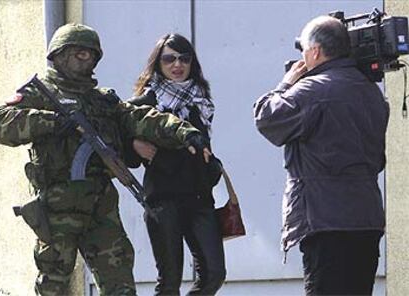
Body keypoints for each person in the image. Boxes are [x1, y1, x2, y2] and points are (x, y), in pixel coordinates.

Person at [0, 24, 210, 296]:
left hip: (101, 205)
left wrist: (185, 132)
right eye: (77, 53)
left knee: (119, 283)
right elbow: (0, 122)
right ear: (59, 55)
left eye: (89, 54)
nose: (84, 59)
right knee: (53, 284)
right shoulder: (39, 93)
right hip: (58, 206)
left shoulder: (103, 100)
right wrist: (51, 122)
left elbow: (141, 118)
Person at [254, 16, 389, 295]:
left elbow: (267, 118)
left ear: (315, 51)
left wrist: (286, 83)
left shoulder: (312, 89)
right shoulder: (371, 92)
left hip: (326, 222)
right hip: (366, 219)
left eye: (303, 49)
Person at [128, 33, 226, 296]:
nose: (177, 65)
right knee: (169, 280)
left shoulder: (200, 100)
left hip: (199, 197)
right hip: (163, 198)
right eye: (169, 59)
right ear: (158, 64)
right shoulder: (147, 101)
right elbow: (117, 134)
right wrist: (134, 146)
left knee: (214, 273)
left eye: (184, 58)